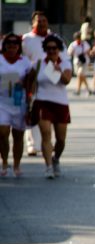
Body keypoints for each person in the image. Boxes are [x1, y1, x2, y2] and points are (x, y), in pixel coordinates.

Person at [32, 34, 72, 179]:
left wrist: (58, 70)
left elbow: (67, 80)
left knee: (61, 140)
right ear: (45, 50)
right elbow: (30, 82)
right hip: (42, 102)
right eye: (48, 49)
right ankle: (48, 166)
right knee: (46, 134)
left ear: (59, 49)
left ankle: (56, 159)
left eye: (54, 48)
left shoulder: (65, 63)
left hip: (60, 104)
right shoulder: (38, 64)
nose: (51, 51)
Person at [0, 33, 33, 177]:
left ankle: (17, 165)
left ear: (19, 47)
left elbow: (31, 81)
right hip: (2, 102)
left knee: (18, 136)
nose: (12, 47)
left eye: (15, 45)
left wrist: (26, 88)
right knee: (3, 132)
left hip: (19, 103)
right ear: (4, 46)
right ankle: (5, 162)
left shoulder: (25, 62)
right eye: (9, 44)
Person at [21, 11, 50, 156]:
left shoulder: (53, 38)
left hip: (50, 82)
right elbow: (22, 61)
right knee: (32, 112)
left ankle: (46, 144)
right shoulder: (27, 40)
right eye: (39, 21)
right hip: (32, 81)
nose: (42, 23)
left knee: (46, 115)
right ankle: (32, 145)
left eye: (44, 21)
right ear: (33, 23)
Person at [67, 31, 91, 96]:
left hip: (84, 62)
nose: (79, 39)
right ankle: (88, 89)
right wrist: (73, 52)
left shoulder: (84, 43)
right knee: (81, 76)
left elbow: (89, 51)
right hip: (77, 62)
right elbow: (69, 53)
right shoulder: (73, 44)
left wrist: (84, 53)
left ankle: (78, 90)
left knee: (80, 74)